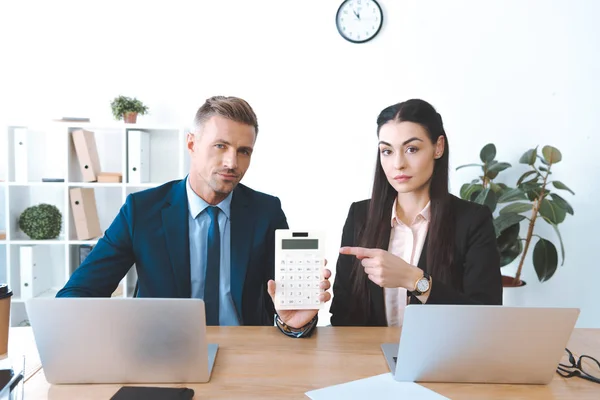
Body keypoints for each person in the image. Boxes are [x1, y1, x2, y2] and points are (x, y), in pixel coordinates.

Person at [57, 95, 331, 327]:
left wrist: (293, 321)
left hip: (247, 353)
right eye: (220, 146)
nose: (231, 162)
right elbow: (79, 292)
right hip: (162, 353)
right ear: (192, 144)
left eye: (244, 151)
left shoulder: (266, 212)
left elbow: (290, 307)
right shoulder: (141, 211)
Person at [269, 98, 501, 335]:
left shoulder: (472, 221)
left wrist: (416, 280)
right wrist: (299, 324)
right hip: (369, 364)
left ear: (438, 147)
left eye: (412, 149)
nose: (398, 164)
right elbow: (344, 320)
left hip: (446, 363)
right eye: (387, 151)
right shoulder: (360, 217)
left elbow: (486, 320)